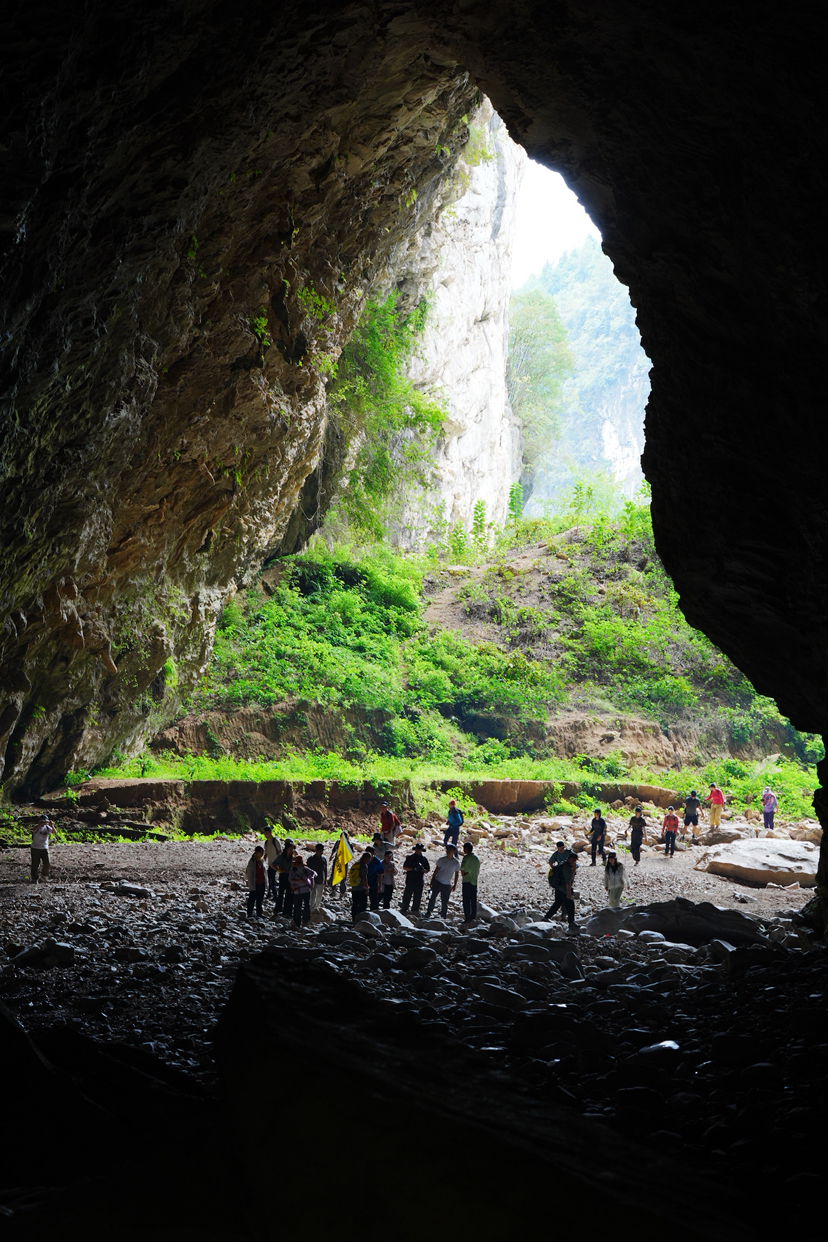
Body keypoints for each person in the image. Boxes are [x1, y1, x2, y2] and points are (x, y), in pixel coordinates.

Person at [425, 844, 461, 919]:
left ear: (453, 851)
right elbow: (436, 870)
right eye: (447, 850)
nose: (448, 851)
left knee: (445, 900)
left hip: (447, 884)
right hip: (438, 881)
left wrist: (455, 884)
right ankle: (429, 911)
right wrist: (432, 880)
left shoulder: (456, 863)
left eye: (450, 850)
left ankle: (443, 914)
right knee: (433, 897)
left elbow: (456, 874)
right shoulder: (442, 860)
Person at [545, 849, 576, 928]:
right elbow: (568, 881)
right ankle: (571, 923)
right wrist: (568, 892)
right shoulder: (567, 868)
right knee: (570, 906)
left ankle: (546, 917)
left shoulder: (562, 864)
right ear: (572, 859)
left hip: (558, 888)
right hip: (564, 890)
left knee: (557, 904)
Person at [401, 843, 431, 916]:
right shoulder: (410, 858)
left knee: (417, 897)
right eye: (417, 849)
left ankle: (414, 911)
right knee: (407, 896)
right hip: (410, 880)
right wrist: (413, 869)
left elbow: (427, 870)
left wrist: (422, 870)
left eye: (419, 849)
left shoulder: (424, 859)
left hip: (419, 881)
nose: (418, 850)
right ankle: (404, 909)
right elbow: (404, 867)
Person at [289, 852, 315, 928]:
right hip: (299, 890)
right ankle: (299, 922)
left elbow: (314, 873)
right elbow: (290, 880)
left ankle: (304, 921)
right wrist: (299, 881)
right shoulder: (293, 870)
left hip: (305, 890)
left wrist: (310, 877)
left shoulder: (306, 869)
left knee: (305, 906)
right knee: (298, 907)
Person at [30, 814, 56, 883]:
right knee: (35, 864)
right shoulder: (36, 826)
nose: (44, 823)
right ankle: (34, 878)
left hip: (44, 847)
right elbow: (34, 830)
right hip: (35, 848)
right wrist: (40, 825)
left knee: (47, 863)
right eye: (43, 821)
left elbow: (54, 832)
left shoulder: (47, 827)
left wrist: (52, 825)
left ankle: (44, 876)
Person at [275, 840, 296, 919]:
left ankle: (287, 911)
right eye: (290, 849)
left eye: (292, 849)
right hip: (283, 876)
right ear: (286, 849)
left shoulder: (292, 858)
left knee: (289, 894)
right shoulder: (281, 857)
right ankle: (278, 908)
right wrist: (279, 870)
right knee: (281, 892)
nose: (291, 851)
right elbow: (273, 864)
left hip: (290, 876)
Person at [460, 841, 481, 922]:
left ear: (466, 849)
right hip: (474, 882)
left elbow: (463, 870)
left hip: (467, 881)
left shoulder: (466, 857)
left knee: (466, 901)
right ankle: (473, 917)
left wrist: (464, 874)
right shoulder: (477, 858)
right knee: (473, 901)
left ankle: (467, 918)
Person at [349, 851, 371, 923]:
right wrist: (366, 888)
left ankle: (354, 919)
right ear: (365, 858)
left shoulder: (356, 864)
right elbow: (364, 877)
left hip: (354, 888)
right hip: (361, 889)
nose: (369, 861)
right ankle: (361, 920)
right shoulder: (363, 866)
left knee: (355, 904)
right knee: (363, 905)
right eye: (369, 859)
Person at [263, 824, 283, 903]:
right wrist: (263, 861)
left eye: (267, 833)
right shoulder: (267, 842)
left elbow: (280, 851)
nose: (265, 835)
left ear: (270, 832)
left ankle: (274, 895)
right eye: (264, 833)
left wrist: (279, 863)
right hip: (270, 864)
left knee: (271, 879)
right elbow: (266, 853)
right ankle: (271, 893)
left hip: (275, 863)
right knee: (270, 878)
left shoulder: (275, 840)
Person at [246, 846, 266, 919]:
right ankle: (249, 913)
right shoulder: (252, 861)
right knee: (252, 898)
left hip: (261, 882)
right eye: (261, 852)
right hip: (255, 883)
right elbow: (249, 873)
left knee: (260, 899)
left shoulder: (261, 860)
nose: (262, 854)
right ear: (257, 852)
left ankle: (259, 913)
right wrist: (250, 882)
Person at [306, 842, 328, 912]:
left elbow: (325, 870)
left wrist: (325, 879)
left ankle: (317, 907)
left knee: (319, 895)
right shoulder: (311, 859)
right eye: (319, 850)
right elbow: (307, 870)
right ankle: (312, 908)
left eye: (322, 850)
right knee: (313, 894)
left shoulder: (324, 859)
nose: (321, 852)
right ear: (316, 850)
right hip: (312, 879)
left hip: (321, 879)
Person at [367, 847, 384, 912]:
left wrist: (380, 885)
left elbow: (380, 874)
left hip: (373, 883)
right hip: (363, 883)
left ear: (374, 853)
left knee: (374, 902)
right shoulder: (363, 860)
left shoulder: (377, 861)